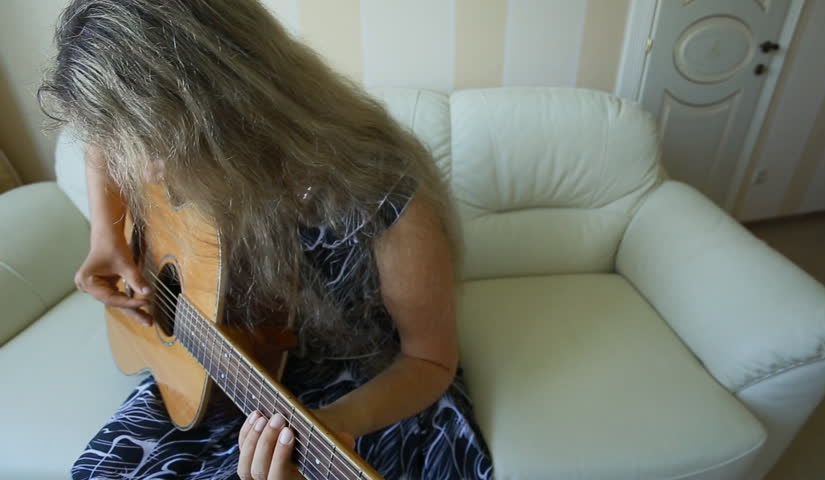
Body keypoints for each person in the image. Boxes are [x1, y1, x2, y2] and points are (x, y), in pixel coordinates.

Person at [38, 1, 493, 479]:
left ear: (220, 108)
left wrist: (335, 425)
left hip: (360, 390)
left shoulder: (385, 199)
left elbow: (428, 360)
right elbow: (102, 147)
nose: (145, 172)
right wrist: (106, 236)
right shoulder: (157, 149)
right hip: (223, 360)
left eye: (154, 146)